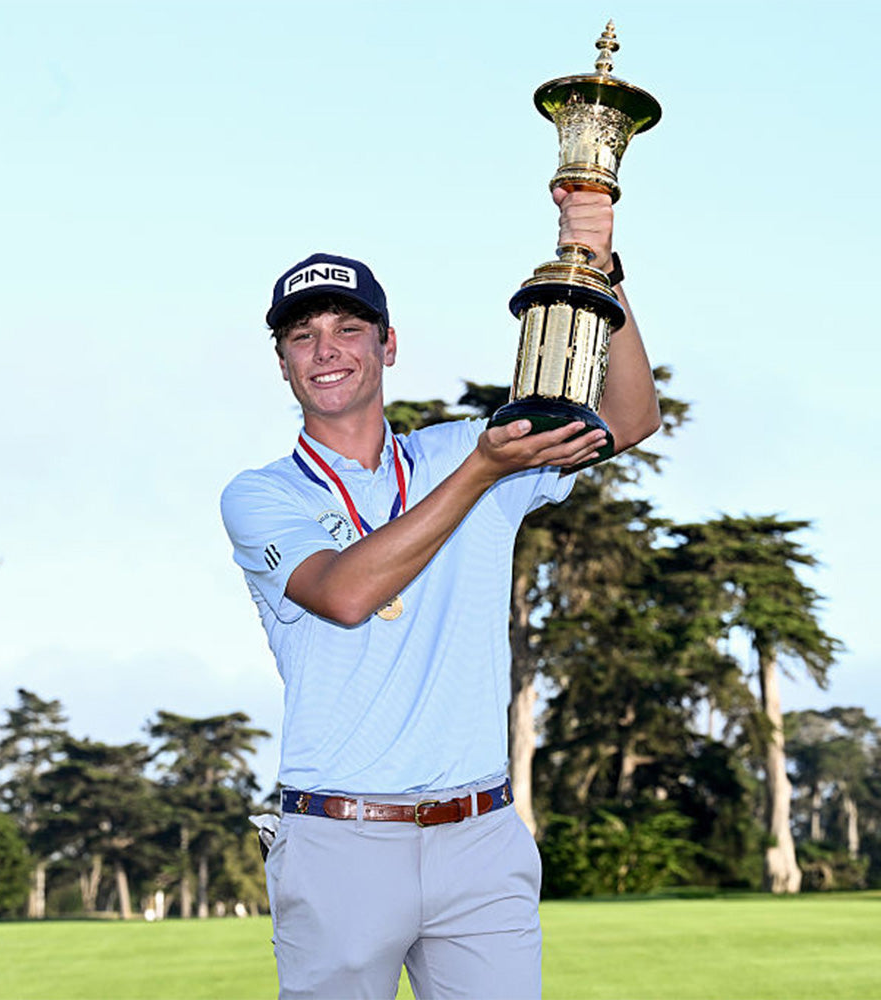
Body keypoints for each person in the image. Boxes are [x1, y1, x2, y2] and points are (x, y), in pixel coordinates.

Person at [221, 189, 660, 999]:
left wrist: (602, 267)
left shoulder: (460, 449)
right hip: (340, 837)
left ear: (388, 346)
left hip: (480, 835)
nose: (327, 350)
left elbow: (628, 417)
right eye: (302, 336)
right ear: (281, 361)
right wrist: (484, 472)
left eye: (349, 328)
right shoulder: (261, 495)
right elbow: (345, 593)